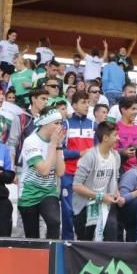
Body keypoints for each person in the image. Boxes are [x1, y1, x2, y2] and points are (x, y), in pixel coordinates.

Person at [18, 109, 66, 239]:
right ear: (46, 123)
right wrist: (52, 145)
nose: (59, 127)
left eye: (60, 123)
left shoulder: (55, 142)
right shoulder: (31, 141)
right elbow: (44, 171)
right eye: (56, 123)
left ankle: (52, 255)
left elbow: (60, 172)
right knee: (32, 236)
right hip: (29, 193)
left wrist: (58, 146)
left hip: (48, 191)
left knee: (54, 222)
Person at [72, 121, 123, 241]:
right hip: (85, 205)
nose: (118, 138)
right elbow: (76, 186)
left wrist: (117, 195)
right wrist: (99, 196)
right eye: (115, 135)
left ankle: (110, 259)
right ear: (105, 137)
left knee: (111, 232)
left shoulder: (116, 156)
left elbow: (114, 181)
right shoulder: (89, 156)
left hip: (106, 204)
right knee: (86, 240)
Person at [61, 91, 94, 240]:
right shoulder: (65, 124)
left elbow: (98, 151)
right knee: (68, 212)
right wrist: (79, 153)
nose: (87, 106)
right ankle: (67, 241)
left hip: (88, 176)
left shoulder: (94, 125)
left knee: (86, 212)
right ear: (74, 105)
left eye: (88, 102)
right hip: (69, 174)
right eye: (83, 102)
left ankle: (85, 243)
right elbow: (60, 151)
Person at [114, 97, 137, 171]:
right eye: (133, 109)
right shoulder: (114, 128)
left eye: (136, 109)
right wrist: (123, 152)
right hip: (120, 170)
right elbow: (110, 151)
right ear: (123, 110)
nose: (136, 112)